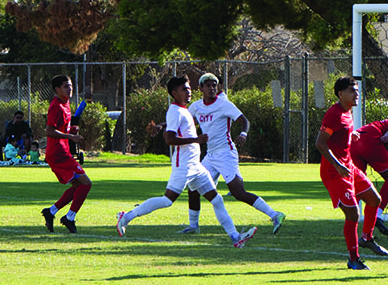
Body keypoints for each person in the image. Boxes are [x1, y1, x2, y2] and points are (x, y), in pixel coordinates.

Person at [116, 77, 256, 248]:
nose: (188, 92)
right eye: (184, 89)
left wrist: (161, 126)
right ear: (174, 93)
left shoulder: (184, 110)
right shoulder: (175, 111)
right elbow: (169, 139)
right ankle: (127, 217)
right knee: (167, 200)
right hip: (184, 165)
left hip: (196, 166)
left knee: (217, 200)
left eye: (189, 88)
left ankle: (235, 238)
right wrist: (196, 139)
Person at [177, 73, 286, 236]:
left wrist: (243, 134)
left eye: (214, 85)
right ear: (201, 88)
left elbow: (244, 121)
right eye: (208, 85)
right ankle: (194, 226)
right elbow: (182, 120)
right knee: (193, 187)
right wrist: (162, 126)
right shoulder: (196, 106)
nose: (212, 88)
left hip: (226, 154)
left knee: (238, 192)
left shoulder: (224, 104)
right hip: (211, 156)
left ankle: (275, 215)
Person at [315, 76, 387, 270]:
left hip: (349, 168)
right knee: (353, 214)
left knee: (374, 199)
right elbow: (320, 143)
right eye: (352, 90)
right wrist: (338, 165)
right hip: (334, 171)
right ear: (340, 93)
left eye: (356, 90)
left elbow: (340, 132)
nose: (357, 94)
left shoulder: (347, 112)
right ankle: (354, 259)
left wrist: (351, 134)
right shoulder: (333, 114)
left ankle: (367, 238)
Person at [41, 75, 93, 233]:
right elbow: (49, 130)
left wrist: (71, 131)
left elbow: (62, 127)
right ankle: (69, 217)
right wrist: (70, 136)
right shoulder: (56, 106)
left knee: (78, 185)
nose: (69, 89)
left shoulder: (66, 103)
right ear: (57, 89)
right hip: (57, 154)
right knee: (86, 183)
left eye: (70, 86)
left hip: (62, 152)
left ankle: (51, 212)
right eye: (65, 86)